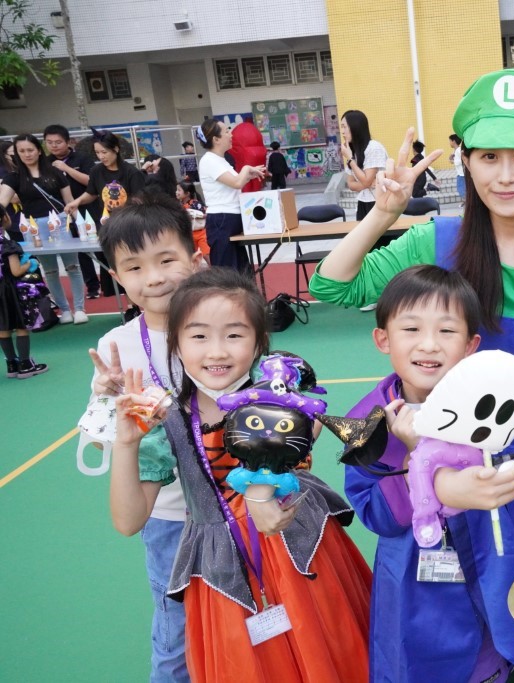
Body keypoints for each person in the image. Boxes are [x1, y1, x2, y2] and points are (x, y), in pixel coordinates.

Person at [309, 68, 514, 529]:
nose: (505, 176)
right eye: (488, 157)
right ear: (465, 161)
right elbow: (331, 285)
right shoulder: (435, 241)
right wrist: (383, 214)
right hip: (452, 477)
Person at [109, 267, 372, 682]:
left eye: (234, 335)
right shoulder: (166, 419)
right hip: (222, 569)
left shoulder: (281, 398)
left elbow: (307, 434)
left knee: (330, 651)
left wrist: (261, 491)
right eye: (198, 336)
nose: (217, 352)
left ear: (259, 342)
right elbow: (128, 521)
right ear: (175, 344)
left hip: (299, 548)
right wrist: (126, 444)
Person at [346, 265, 514, 682]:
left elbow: (510, 485)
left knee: (488, 654)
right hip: (413, 582)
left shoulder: (492, 405)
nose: (429, 344)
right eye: (411, 329)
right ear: (383, 338)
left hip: (485, 564)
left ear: (470, 346)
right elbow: (376, 514)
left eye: (447, 331)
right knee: (416, 661)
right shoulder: (367, 424)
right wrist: (412, 459)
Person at [85, 196, 204, 681]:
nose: (153, 278)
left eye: (166, 259)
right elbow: (100, 441)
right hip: (168, 518)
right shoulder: (115, 347)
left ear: (195, 258)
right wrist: (107, 403)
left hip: (238, 506)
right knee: (175, 635)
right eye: (134, 267)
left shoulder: (223, 327)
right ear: (117, 278)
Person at [0, 134, 86, 324]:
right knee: (50, 270)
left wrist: (81, 226)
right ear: (16, 154)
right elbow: (2, 203)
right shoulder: (13, 177)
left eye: (30, 150)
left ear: (39, 150)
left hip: (60, 222)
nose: (27, 154)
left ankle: (80, 309)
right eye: (22, 151)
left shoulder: (55, 173)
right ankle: (65, 310)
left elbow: (69, 202)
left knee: (73, 266)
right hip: (34, 228)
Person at [43, 124, 108, 299]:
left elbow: (91, 181)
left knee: (100, 246)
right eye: (49, 142)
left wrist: (66, 169)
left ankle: (109, 283)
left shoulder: (82, 158)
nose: (54, 145)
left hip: (89, 207)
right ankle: (92, 286)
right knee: (80, 250)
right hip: (64, 211)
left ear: (67, 142)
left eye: (58, 142)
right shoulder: (46, 163)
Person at [195, 119, 264, 272]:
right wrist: (246, 168)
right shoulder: (209, 160)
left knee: (241, 269)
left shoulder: (221, 160)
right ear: (216, 139)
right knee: (227, 271)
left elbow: (233, 184)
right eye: (227, 131)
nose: (231, 135)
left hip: (230, 218)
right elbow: (237, 183)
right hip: (222, 219)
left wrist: (250, 175)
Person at [65, 131, 147, 224]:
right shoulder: (96, 171)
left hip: (129, 222)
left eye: (104, 152)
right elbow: (91, 193)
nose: (101, 157)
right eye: (97, 152)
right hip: (106, 222)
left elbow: (140, 201)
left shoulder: (132, 172)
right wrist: (77, 201)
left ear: (116, 149)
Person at [0, 230, 47, 378]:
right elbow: (16, 271)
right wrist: (30, 263)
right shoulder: (8, 245)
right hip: (11, 290)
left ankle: (11, 364)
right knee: (21, 325)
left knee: (3, 327)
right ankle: (25, 364)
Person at [341, 110, 387, 220]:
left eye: (344, 127)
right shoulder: (353, 151)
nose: (342, 132)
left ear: (355, 127)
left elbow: (366, 180)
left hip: (378, 201)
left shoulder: (373, 147)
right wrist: (367, 184)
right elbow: (351, 184)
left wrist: (350, 159)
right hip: (363, 201)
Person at [176, 180, 210, 258]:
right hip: (188, 234)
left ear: (187, 193)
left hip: (201, 233)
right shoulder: (179, 205)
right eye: (176, 190)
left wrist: (196, 215)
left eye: (179, 190)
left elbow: (205, 215)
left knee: (206, 254)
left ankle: (212, 266)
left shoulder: (195, 204)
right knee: (192, 255)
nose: (176, 192)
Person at [450, 133, 466, 203]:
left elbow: (462, 160)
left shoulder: (459, 150)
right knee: (461, 190)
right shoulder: (456, 150)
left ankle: (466, 203)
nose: (449, 143)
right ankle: (466, 203)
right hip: (460, 174)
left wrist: (453, 160)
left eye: (450, 141)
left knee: (462, 190)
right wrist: (451, 159)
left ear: (453, 141)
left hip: (462, 174)